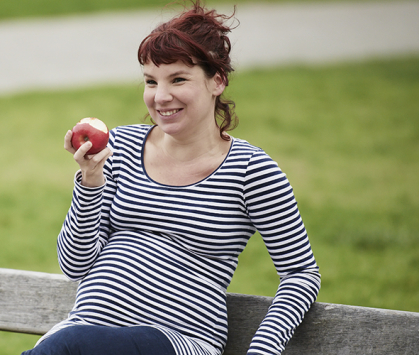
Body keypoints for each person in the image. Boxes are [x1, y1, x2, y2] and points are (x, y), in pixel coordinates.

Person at [21, 1, 320, 354]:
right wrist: (90, 180)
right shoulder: (120, 146)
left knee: (71, 343)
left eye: (178, 79)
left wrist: (261, 351)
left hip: (179, 343)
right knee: (72, 341)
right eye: (151, 81)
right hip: (86, 335)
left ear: (217, 81)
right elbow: (75, 264)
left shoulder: (251, 171)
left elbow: (301, 274)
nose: (161, 97)